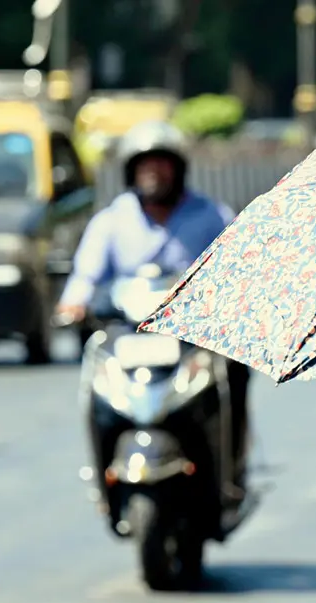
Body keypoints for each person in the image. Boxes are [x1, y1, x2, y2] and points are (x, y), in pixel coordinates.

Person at [54, 120, 252, 459]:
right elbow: (85, 275)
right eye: (146, 165)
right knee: (97, 390)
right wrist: (73, 303)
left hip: (193, 336)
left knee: (232, 377)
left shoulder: (210, 215)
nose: (154, 173)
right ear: (132, 172)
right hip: (127, 334)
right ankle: (104, 471)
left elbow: (239, 269)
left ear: (178, 169)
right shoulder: (111, 221)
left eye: (162, 164)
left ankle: (230, 467)